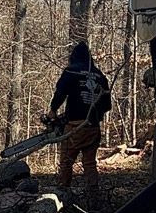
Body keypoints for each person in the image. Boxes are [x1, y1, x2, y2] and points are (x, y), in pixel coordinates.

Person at [45, 41, 111, 200]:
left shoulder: (72, 71)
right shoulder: (100, 76)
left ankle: (63, 191)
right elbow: (107, 104)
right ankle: (93, 194)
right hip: (92, 126)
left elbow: (60, 92)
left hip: (74, 126)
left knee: (67, 160)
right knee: (89, 163)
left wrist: (53, 110)